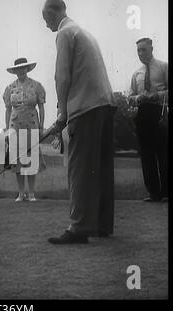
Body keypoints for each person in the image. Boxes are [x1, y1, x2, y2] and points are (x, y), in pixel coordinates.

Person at [42, 0, 117, 244]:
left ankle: (79, 228)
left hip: (84, 107)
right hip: (105, 104)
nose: (46, 24)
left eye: (46, 18)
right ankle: (103, 225)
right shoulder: (85, 32)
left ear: (55, 13)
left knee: (80, 168)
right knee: (101, 167)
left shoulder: (64, 33)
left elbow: (62, 76)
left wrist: (62, 113)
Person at [128, 38, 168, 203]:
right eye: (138, 50)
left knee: (164, 153)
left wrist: (156, 95)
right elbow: (129, 97)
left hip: (160, 113)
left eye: (143, 49)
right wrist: (138, 98)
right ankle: (154, 193)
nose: (141, 53)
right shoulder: (136, 73)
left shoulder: (163, 67)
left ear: (152, 49)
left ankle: (166, 193)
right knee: (146, 154)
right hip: (142, 114)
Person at [3, 57, 46, 202]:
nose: (20, 71)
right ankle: (21, 193)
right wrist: (7, 130)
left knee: (31, 158)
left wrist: (41, 127)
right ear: (15, 71)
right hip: (15, 125)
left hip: (32, 123)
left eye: (23, 69)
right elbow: (8, 110)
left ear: (27, 69)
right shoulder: (9, 88)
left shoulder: (36, 86)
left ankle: (32, 193)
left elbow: (41, 107)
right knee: (17, 159)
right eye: (18, 69)